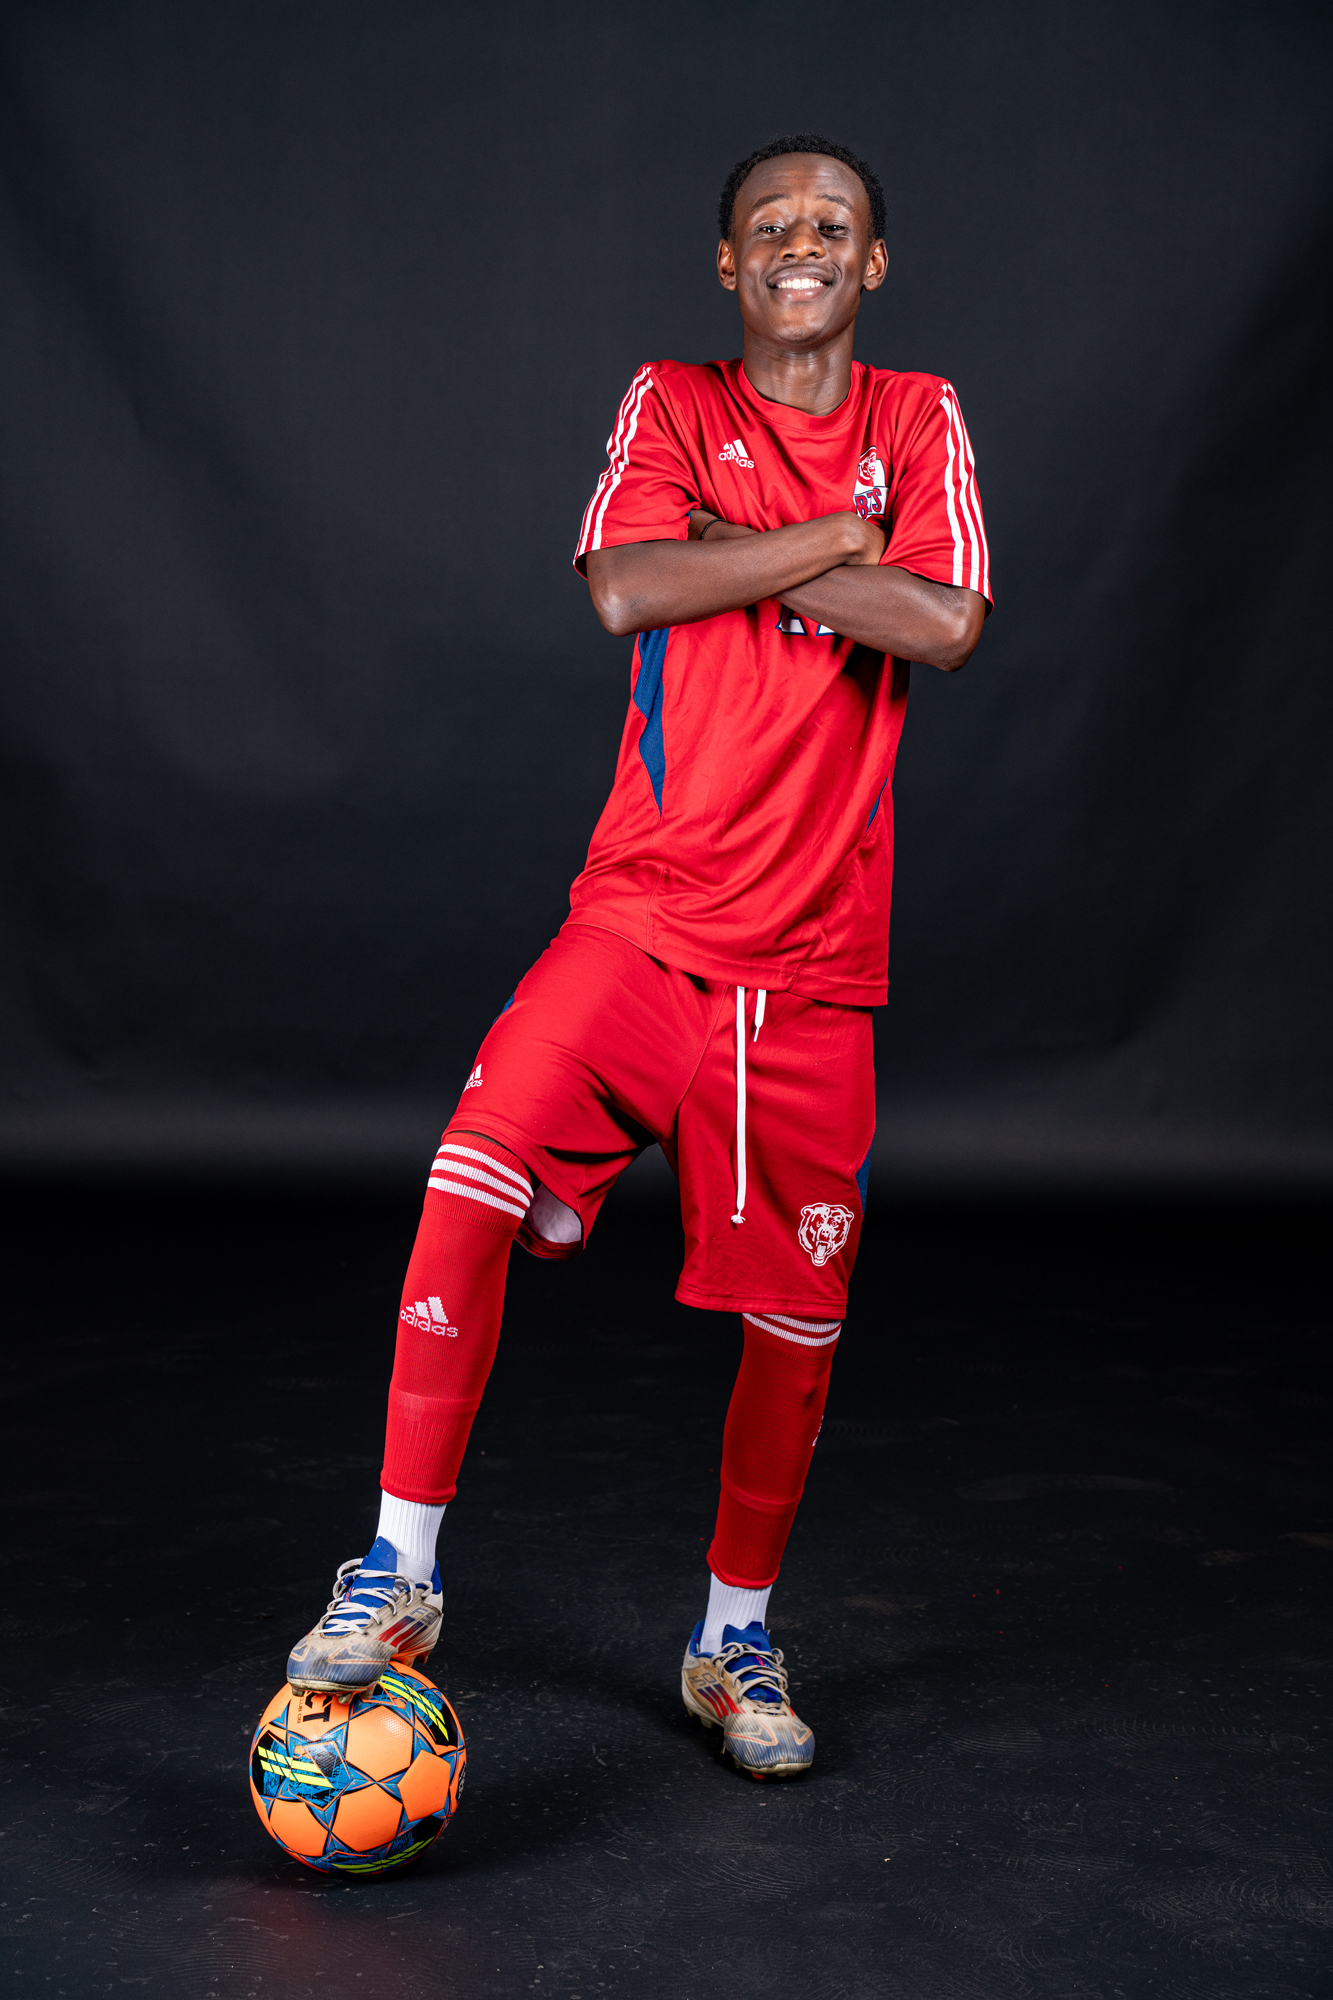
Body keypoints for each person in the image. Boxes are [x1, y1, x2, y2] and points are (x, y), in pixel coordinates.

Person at [286, 133, 991, 1781]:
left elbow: (947, 622)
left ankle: (731, 1640)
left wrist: (750, 549)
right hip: (645, 922)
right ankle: (397, 1567)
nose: (801, 241)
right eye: (770, 225)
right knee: (466, 1172)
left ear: (871, 263)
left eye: (830, 224)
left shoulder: (919, 415)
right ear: (729, 264)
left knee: (795, 1329)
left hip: (811, 967)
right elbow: (624, 587)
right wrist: (840, 537)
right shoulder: (671, 401)